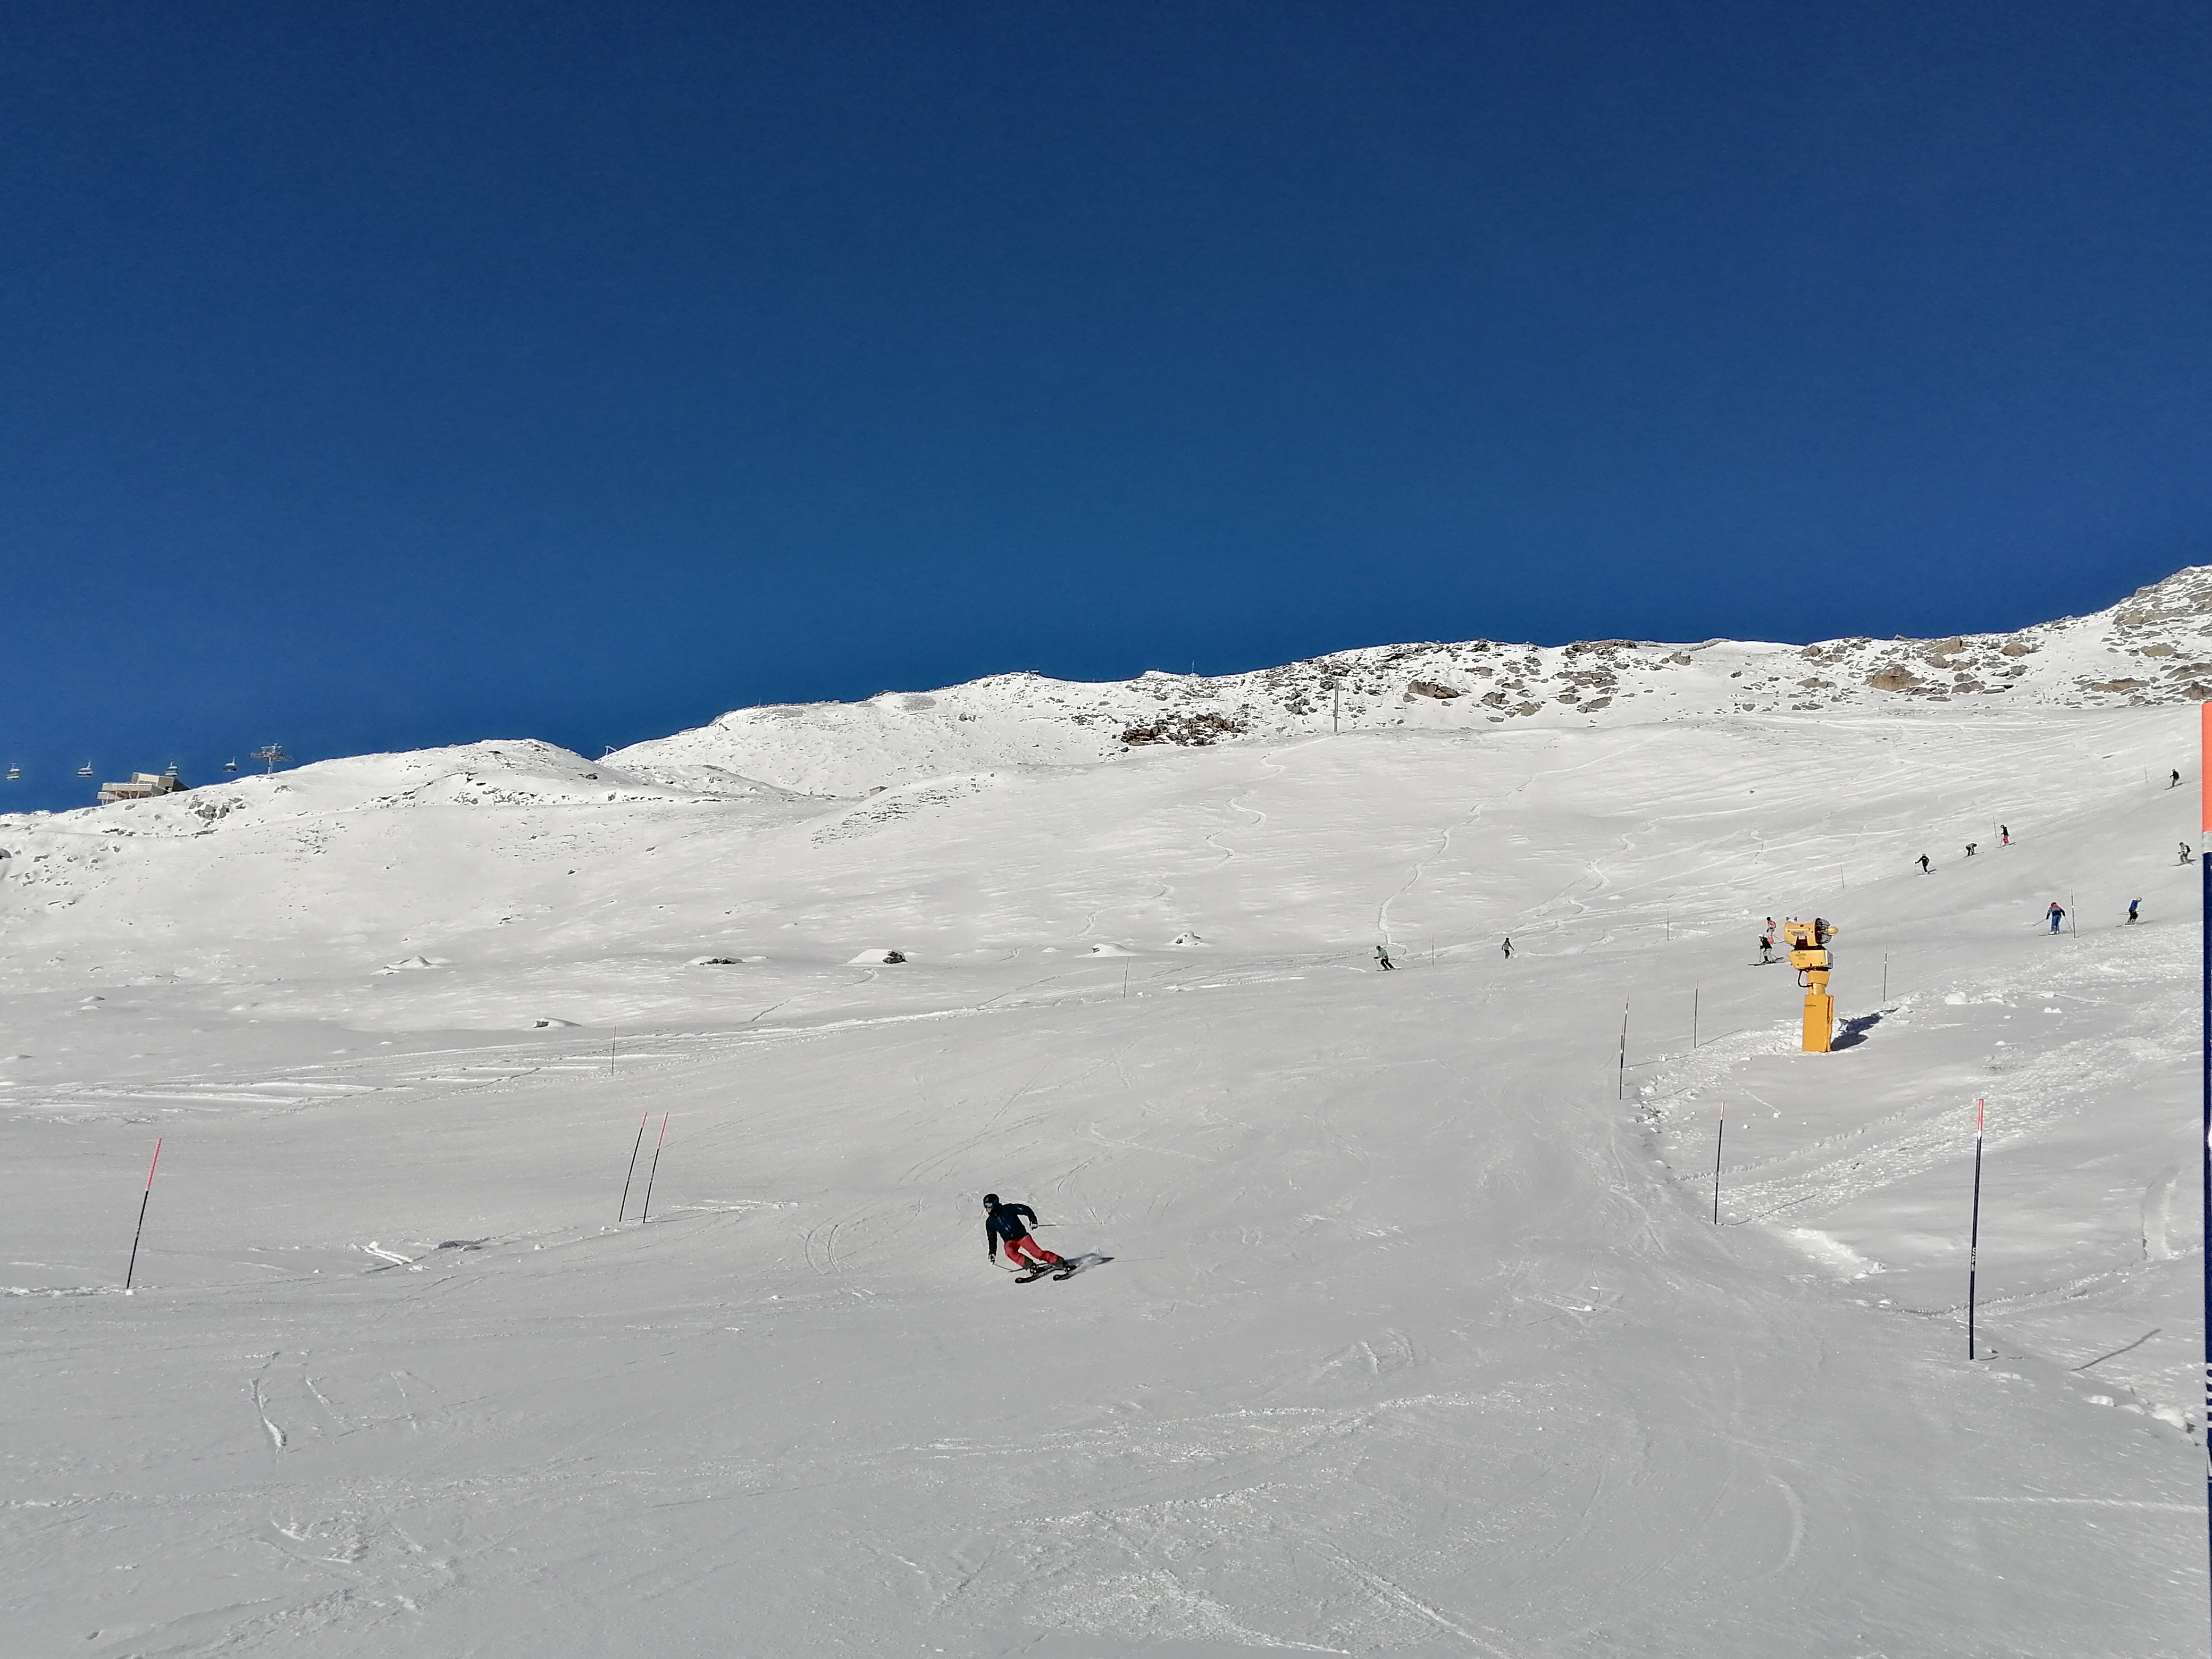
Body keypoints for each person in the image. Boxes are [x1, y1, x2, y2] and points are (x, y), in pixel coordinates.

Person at [983, 1194, 1063, 1275]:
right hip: (1010, 1241)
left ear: (995, 1203)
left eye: (989, 1205)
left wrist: (1033, 1220)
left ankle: (1060, 1262)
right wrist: (992, 1253)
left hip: (1022, 1237)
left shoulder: (1007, 1209)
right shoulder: (990, 1222)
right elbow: (992, 1238)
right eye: (985, 1205)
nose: (987, 1208)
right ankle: (1031, 1266)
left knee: (1037, 1254)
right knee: (1009, 1251)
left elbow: (1025, 1209)